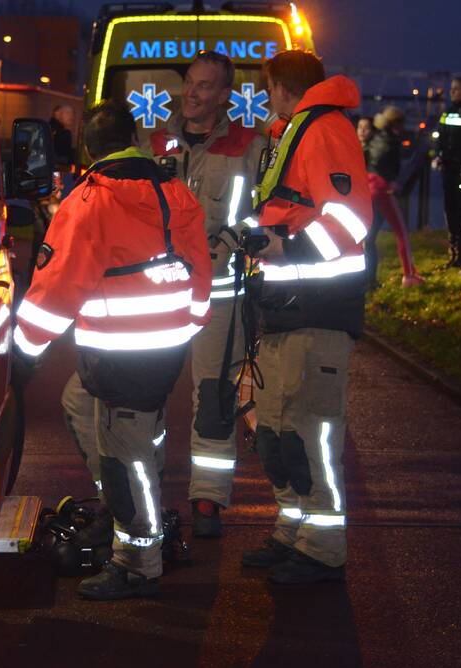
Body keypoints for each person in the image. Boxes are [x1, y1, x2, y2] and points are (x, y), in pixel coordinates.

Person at [14, 100, 211, 600]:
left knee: (127, 459)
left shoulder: (88, 202)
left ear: (88, 148)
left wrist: (23, 353)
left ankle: (139, 560)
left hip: (119, 353)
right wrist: (184, 326)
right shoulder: (174, 194)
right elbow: (201, 274)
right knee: (85, 406)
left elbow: (57, 288)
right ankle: (126, 508)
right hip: (163, 350)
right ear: (135, 139)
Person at [244, 50, 371, 584]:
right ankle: (293, 531)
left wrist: (286, 247)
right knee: (279, 433)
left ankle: (322, 550)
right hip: (288, 312)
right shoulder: (299, 130)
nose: (267, 98)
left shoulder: (323, 130)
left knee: (312, 435)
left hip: (316, 311)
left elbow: (348, 220)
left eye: (269, 88)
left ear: (280, 86)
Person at [148, 51, 265, 538]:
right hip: (156, 292)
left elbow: (266, 210)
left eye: (204, 87)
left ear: (224, 96)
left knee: (214, 394)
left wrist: (235, 239)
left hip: (219, 294)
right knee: (144, 388)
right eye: (190, 84)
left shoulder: (248, 146)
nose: (192, 94)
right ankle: (143, 487)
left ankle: (208, 500)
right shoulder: (155, 142)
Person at [363, 107, 423, 288]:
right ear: (396, 123)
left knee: (369, 236)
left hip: (369, 187)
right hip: (383, 189)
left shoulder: (375, 138)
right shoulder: (392, 141)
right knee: (401, 233)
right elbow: (395, 168)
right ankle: (409, 276)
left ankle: (366, 279)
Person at [434, 76, 461, 268]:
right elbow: (440, 137)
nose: (452, 92)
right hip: (448, 169)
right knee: (450, 211)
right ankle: (454, 254)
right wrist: (438, 155)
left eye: (456, 89)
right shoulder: (448, 112)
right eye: (451, 89)